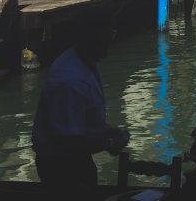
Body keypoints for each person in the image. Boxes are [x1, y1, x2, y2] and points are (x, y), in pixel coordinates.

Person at [32, 28, 131, 188]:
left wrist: (105, 132)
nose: (110, 41)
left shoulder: (84, 61)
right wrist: (107, 144)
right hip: (61, 165)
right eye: (106, 36)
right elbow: (69, 141)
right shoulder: (72, 82)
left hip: (73, 157)